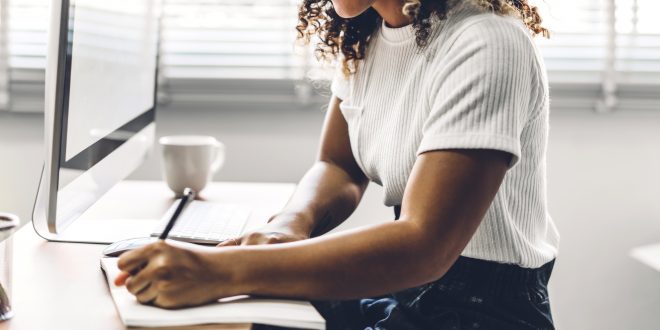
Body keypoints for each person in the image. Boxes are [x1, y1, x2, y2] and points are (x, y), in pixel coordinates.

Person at [115, 0, 560, 328]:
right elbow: (339, 165)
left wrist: (217, 271)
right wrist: (287, 226)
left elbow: (427, 246)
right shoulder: (370, 35)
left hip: (482, 311)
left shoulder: (487, 42)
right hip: (407, 290)